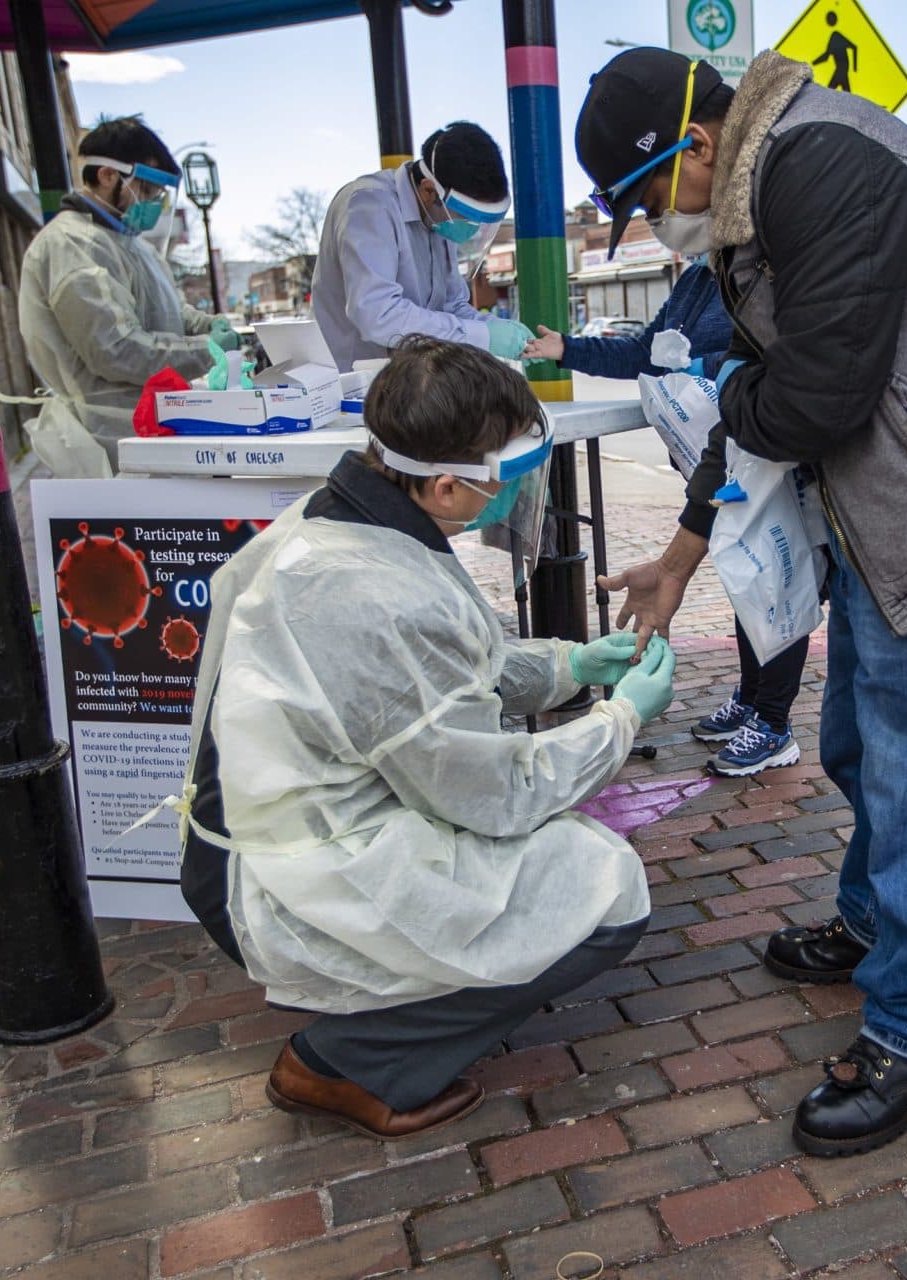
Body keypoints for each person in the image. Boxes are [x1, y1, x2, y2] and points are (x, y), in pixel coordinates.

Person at [575, 49, 907, 1157]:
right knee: (864, 747)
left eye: (648, 195)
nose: (654, 221)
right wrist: (679, 554)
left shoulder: (822, 160)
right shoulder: (762, 194)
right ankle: (871, 928)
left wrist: (728, 390)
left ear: (700, 145)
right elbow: (754, 404)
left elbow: (810, 392)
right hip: (882, 519)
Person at [177, 337, 678, 1140]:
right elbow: (497, 791)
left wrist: (570, 665)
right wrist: (620, 719)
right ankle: (344, 1061)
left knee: (555, 856)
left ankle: (380, 1017)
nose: (511, 493)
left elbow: (446, 668)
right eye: (504, 478)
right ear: (447, 485)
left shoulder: (348, 520)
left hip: (277, 830)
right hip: (289, 870)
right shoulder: (366, 588)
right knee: (605, 888)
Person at [522, 259, 810, 777]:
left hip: (767, 451)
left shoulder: (767, 265)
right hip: (717, 454)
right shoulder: (700, 278)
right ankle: (751, 697)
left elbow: (781, 357)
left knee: (773, 578)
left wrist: (706, 366)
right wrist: (568, 349)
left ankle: (774, 722)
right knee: (743, 577)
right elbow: (646, 353)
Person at [18, 116, 230, 475]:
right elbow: (115, 350)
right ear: (107, 176)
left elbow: (171, 312)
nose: (154, 203)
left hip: (154, 427)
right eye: (147, 190)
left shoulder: (131, 245)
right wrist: (206, 350)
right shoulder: (70, 245)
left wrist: (213, 326)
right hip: (111, 438)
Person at [311, 124, 533, 372]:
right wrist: (483, 336)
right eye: (466, 219)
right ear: (429, 191)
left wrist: (497, 330)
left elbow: (452, 306)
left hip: (413, 380)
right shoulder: (370, 205)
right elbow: (377, 314)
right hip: (353, 383)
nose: (469, 230)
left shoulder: (438, 219)